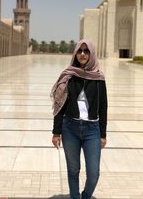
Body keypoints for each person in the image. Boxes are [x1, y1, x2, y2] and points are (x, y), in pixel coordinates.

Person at [51, 39, 107, 199]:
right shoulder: (68, 76)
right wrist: (56, 132)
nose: (82, 54)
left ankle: (85, 195)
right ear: (75, 53)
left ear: (91, 54)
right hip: (70, 128)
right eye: (80, 51)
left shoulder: (98, 78)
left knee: (93, 173)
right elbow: (59, 105)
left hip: (92, 130)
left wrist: (103, 134)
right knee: (73, 170)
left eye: (86, 51)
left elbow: (103, 107)